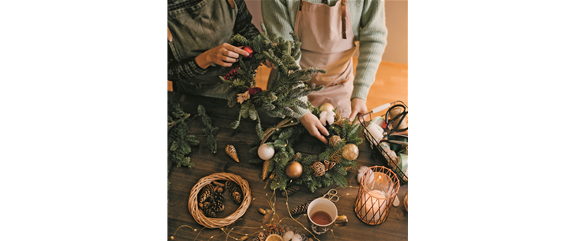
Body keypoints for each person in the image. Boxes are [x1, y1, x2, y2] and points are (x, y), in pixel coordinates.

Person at [262, 0, 388, 144]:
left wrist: (360, 92)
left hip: (339, 86)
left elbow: (374, 38)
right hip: (289, 88)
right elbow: (286, 52)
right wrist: (300, 109)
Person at [167, 0, 261, 99]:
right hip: (195, 93)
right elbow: (170, 72)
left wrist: (263, 49)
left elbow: (246, 28)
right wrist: (207, 57)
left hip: (239, 83)